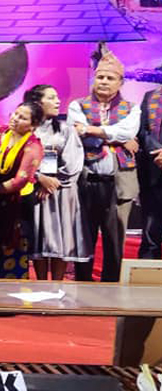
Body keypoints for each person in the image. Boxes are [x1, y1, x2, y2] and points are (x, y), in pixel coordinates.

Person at [68, 50, 140, 282]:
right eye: (100, 77)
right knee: (84, 236)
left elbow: (128, 131)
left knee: (115, 238)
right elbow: (78, 135)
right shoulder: (77, 105)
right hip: (87, 180)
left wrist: (91, 129)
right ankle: (82, 285)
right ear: (94, 79)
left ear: (120, 82)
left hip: (118, 182)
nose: (104, 82)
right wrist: (116, 137)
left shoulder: (132, 107)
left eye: (110, 78)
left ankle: (112, 286)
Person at [25, 85, 89, 280]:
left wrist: (53, 183)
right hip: (33, 189)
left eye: (57, 97)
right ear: (37, 102)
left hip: (62, 191)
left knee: (61, 239)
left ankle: (57, 285)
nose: (58, 101)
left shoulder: (65, 129)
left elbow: (73, 163)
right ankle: (41, 283)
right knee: (39, 237)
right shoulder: (27, 129)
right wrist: (39, 178)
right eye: (51, 98)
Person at [0, 102, 44, 279]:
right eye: (15, 114)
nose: (15, 119)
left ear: (33, 125)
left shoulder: (33, 146)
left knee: (12, 250)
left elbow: (20, 181)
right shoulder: (0, 132)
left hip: (16, 203)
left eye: (23, 118)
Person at [138, 83, 162, 259]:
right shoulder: (150, 96)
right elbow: (143, 130)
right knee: (151, 221)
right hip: (153, 166)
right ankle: (148, 264)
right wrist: (157, 151)